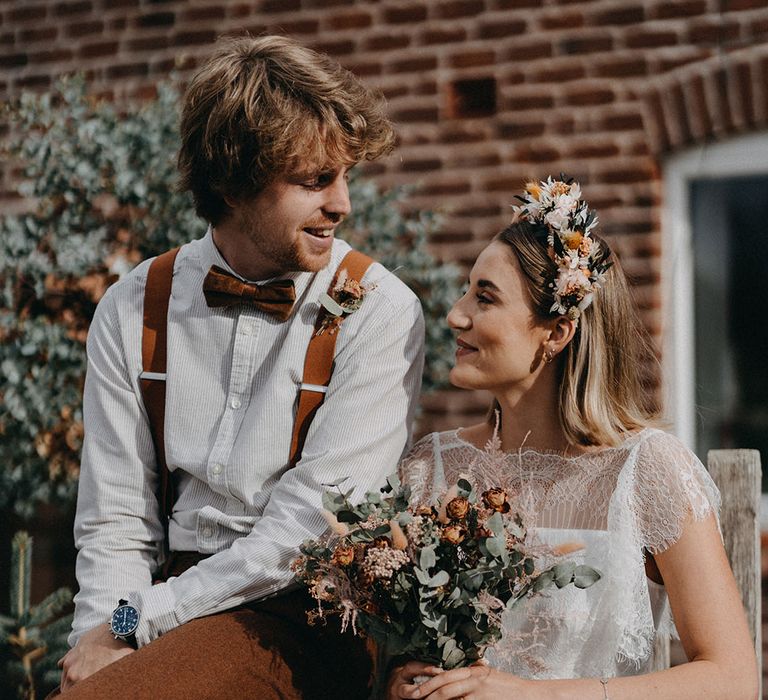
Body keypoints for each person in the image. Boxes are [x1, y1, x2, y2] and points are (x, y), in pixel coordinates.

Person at [57, 35, 425, 699]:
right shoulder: (134, 307)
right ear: (234, 181)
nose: (342, 204)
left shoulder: (379, 311)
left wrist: (135, 623)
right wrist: (103, 638)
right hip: (159, 603)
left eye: (345, 177)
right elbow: (114, 519)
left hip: (296, 615)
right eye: (315, 180)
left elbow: (301, 535)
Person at [388, 177, 758, 700]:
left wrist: (537, 696)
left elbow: (733, 678)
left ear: (557, 332)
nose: (456, 315)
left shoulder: (647, 470)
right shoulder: (432, 468)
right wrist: (397, 682)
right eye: (467, 290)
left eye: (485, 298)